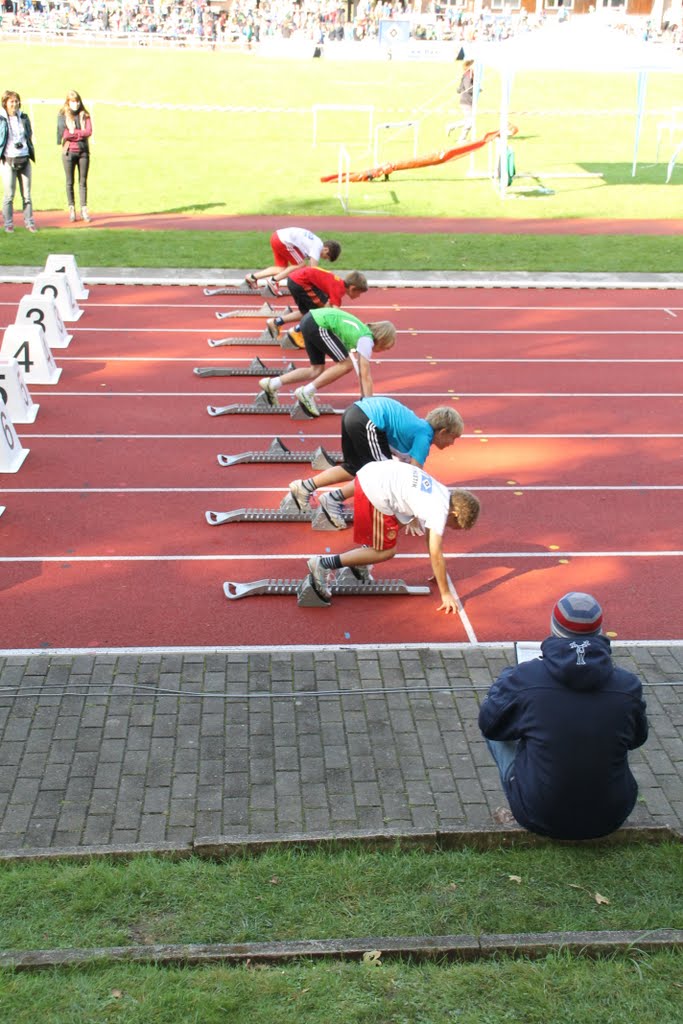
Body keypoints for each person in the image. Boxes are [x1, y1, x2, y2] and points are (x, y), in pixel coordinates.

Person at [478, 592, 649, 841]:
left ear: (553, 628)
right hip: (611, 815)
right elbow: (637, 739)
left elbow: (489, 724)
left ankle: (531, 782)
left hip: (537, 814)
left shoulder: (524, 677)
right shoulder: (627, 685)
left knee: (501, 719)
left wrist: (506, 679)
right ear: (600, 631)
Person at [305, 458, 480, 611]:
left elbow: (429, 538)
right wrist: (446, 593)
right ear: (454, 514)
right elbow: (436, 553)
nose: (448, 528)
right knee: (386, 551)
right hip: (375, 489)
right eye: (454, 526)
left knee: (401, 523)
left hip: (373, 473)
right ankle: (324, 564)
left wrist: (438, 571)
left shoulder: (443, 492)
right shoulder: (440, 509)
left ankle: (359, 562)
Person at [288, 399, 464, 528]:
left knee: (354, 467)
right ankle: (333, 499)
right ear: (442, 431)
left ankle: (305, 486)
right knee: (378, 478)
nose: (452, 443)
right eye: (453, 438)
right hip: (368, 421)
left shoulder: (417, 425)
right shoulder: (424, 437)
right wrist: (413, 515)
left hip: (354, 412)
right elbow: (413, 477)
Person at [258, 309, 396, 418]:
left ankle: (273, 383)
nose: (383, 351)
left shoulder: (360, 331)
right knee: (346, 364)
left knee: (316, 369)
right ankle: (307, 392)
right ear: (382, 339)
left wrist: (364, 398)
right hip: (318, 324)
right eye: (386, 347)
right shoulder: (366, 339)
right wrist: (370, 406)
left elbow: (361, 373)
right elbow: (365, 375)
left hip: (309, 320)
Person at [266, 267, 368, 344]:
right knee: (320, 313)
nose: (359, 296)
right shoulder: (338, 290)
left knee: (306, 312)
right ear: (352, 288)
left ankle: (276, 322)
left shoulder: (337, 283)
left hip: (294, 280)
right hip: (301, 282)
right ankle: (296, 331)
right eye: (359, 293)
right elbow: (336, 315)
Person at [245, 227, 341, 296]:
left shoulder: (315, 243)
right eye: (327, 257)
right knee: (301, 265)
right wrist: (323, 288)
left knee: (281, 269)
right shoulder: (318, 247)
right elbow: (313, 270)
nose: (324, 258)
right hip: (283, 240)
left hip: (276, 236)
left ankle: (252, 277)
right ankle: (273, 281)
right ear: (326, 249)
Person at [0, 89, 36, 234]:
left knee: (27, 195)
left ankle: (29, 223)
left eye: (16, 101)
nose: (14, 104)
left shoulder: (24, 117)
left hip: (24, 158)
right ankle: (8, 224)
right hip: (8, 160)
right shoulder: (1, 119)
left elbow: (29, 134)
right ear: (5, 103)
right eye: (11, 102)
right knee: (9, 195)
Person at [57, 89, 93, 223]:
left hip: (83, 152)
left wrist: (74, 133)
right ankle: (71, 209)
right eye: (73, 102)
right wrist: (79, 134)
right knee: (69, 182)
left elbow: (88, 131)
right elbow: (65, 134)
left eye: (77, 101)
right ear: (68, 102)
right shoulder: (62, 115)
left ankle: (84, 209)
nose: (76, 104)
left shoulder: (85, 115)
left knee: (83, 181)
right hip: (69, 152)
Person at [457, 59, 474, 142]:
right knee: (470, 122)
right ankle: (461, 139)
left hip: (465, 101)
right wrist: (477, 89)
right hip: (466, 102)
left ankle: (451, 126)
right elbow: (468, 89)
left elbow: (458, 89)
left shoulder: (467, 75)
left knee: (468, 120)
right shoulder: (468, 75)